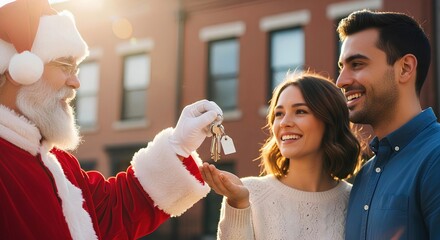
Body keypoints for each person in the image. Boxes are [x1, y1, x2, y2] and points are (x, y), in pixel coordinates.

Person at [0, 0, 222, 239]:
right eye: (65, 65)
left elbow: (112, 212)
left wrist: (178, 145)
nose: (76, 82)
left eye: (76, 69)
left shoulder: (57, 163)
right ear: (20, 68)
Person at [200, 71, 362, 240]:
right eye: (279, 114)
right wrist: (238, 205)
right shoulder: (249, 194)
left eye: (300, 111)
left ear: (330, 121)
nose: (284, 122)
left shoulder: (357, 201)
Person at [336, 9, 440, 239]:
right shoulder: (364, 176)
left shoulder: (436, 157)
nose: (341, 80)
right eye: (342, 66)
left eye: (357, 64)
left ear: (405, 68)